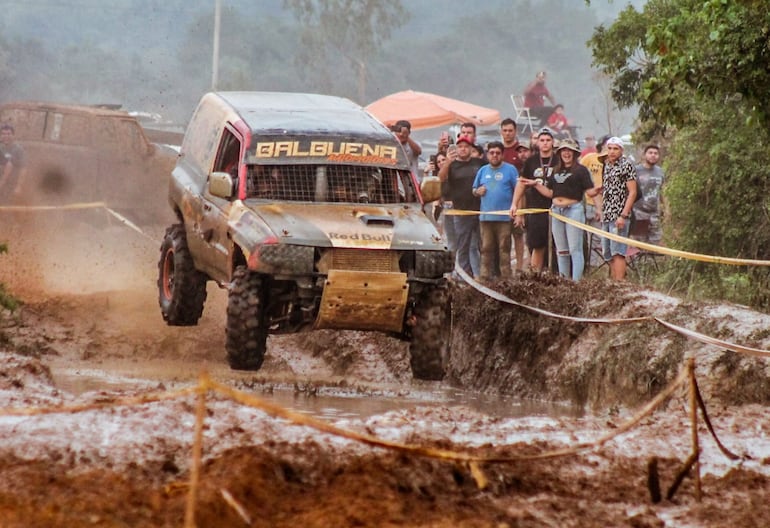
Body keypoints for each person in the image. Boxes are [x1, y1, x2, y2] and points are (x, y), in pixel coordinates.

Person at [523, 139, 600, 280]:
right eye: (564, 150)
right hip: (556, 211)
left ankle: (576, 282)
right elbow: (551, 193)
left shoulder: (581, 170)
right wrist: (536, 185)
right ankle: (563, 281)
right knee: (561, 250)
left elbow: (589, 192)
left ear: (575, 153)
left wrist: (598, 195)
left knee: (574, 249)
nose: (566, 153)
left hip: (573, 210)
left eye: (569, 150)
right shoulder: (557, 170)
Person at [511, 127, 558, 271]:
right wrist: (515, 205)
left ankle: (557, 274)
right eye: (542, 140)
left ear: (553, 142)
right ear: (537, 143)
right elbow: (521, 183)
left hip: (555, 208)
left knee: (557, 245)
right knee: (537, 245)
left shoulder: (558, 160)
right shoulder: (531, 161)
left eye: (548, 140)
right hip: (536, 208)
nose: (545, 143)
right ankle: (535, 275)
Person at [472, 141, 518, 281]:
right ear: (487, 154)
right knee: (486, 249)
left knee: (504, 249)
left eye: (498, 153)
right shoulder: (483, 170)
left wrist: (518, 213)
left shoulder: (510, 170)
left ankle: (506, 278)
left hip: (504, 218)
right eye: (492, 153)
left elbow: (519, 190)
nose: (495, 156)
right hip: (486, 218)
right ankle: (485, 277)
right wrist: (477, 191)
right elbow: (474, 190)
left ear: (502, 154)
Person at [438, 134, 483, 278]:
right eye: (460, 147)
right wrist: (447, 162)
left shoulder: (479, 163)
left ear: (471, 148)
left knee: (478, 245)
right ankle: (464, 276)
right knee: (463, 245)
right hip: (461, 211)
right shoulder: (452, 165)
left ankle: (479, 275)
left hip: (479, 209)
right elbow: (440, 178)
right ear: (457, 148)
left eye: (466, 147)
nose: (463, 149)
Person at [599, 136, 638, 280]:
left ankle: (619, 284)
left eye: (615, 149)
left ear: (621, 150)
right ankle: (615, 279)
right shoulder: (607, 165)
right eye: (609, 148)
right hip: (607, 213)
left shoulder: (626, 165)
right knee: (607, 252)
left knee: (618, 252)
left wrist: (623, 215)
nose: (612, 152)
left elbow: (632, 192)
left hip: (619, 214)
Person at [499, 118, 526, 271]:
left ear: (515, 131)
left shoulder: (520, 150)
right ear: (501, 132)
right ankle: (505, 268)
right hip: (502, 201)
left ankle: (520, 267)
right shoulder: (498, 150)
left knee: (518, 234)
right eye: (505, 130)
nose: (508, 133)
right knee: (503, 237)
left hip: (519, 198)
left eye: (510, 130)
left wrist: (520, 210)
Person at [633, 143, 665, 243]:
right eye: (650, 153)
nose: (653, 155)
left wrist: (664, 208)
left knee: (655, 243)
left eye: (656, 153)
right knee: (639, 244)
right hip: (638, 213)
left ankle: (651, 259)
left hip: (654, 213)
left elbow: (662, 191)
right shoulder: (636, 170)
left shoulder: (660, 172)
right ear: (644, 155)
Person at [0, 124, 26, 204]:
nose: (6, 136)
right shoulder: (1, 147)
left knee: (7, 205)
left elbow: (23, 169)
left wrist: (19, 186)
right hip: (2, 182)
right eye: (3, 134)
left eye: (8, 134)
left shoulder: (18, 149)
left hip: (12, 184)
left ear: (13, 135)